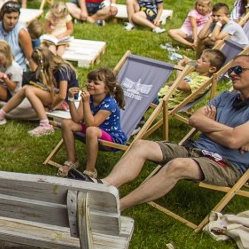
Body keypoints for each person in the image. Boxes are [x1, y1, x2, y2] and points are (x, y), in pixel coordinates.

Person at [94, 54, 249, 210]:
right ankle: (103, 186)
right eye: (230, 70)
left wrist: (210, 126)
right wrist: (230, 131)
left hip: (225, 164)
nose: (232, 74)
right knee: (141, 145)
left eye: (238, 69)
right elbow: (194, 120)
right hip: (193, 149)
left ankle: (114, 208)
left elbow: (233, 141)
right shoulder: (225, 97)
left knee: (177, 165)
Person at [0, 46, 78, 136]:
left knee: (29, 90)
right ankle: (0, 115)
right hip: (56, 96)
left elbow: (62, 95)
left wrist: (51, 107)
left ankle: (45, 125)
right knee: (26, 88)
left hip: (66, 101)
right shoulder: (49, 68)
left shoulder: (63, 69)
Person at [57, 67, 126, 180]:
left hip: (110, 137)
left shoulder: (110, 103)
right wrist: (71, 98)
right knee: (66, 123)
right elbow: (76, 118)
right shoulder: (89, 98)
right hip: (93, 130)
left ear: (106, 88)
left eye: (96, 83)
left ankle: (90, 170)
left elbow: (91, 124)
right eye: (89, 81)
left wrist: (85, 102)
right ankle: (72, 160)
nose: (90, 84)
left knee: (91, 130)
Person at [156, 49, 225, 111]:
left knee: (147, 97)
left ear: (212, 69)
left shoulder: (204, 82)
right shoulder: (196, 73)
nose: (198, 60)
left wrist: (179, 67)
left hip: (168, 102)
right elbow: (193, 63)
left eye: (203, 60)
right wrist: (188, 61)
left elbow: (181, 86)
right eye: (200, 58)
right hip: (163, 94)